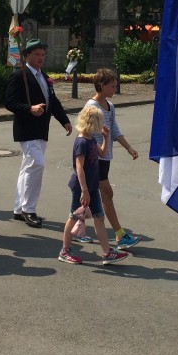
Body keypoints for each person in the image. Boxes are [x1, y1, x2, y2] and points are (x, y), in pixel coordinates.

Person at [5, 38, 72, 227]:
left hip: (42, 129)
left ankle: (19, 208)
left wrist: (64, 121)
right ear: (27, 56)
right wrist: (29, 109)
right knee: (37, 165)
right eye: (37, 54)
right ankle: (29, 209)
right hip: (26, 128)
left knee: (28, 167)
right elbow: (9, 102)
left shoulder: (44, 76)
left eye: (43, 54)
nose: (41, 58)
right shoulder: (20, 75)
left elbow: (54, 102)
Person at [59, 105, 129, 265]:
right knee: (74, 217)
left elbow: (102, 153)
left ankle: (106, 252)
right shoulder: (82, 142)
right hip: (81, 187)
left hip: (91, 186)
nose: (102, 125)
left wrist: (105, 137)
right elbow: (79, 168)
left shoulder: (90, 139)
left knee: (99, 217)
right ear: (92, 123)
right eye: (100, 122)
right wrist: (84, 190)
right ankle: (65, 250)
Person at [81, 68, 142, 250]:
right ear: (102, 86)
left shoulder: (110, 106)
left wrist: (129, 147)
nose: (115, 89)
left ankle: (78, 229)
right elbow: (84, 133)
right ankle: (120, 234)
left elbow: (115, 130)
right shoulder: (91, 107)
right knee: (105, 194)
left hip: (105, 158)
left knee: (86, 196)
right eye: (112, 86)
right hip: (94, 158)